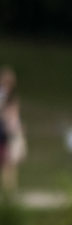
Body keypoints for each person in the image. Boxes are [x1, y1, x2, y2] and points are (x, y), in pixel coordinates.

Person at [0, 66, 21, 194]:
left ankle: (9, 190)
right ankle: (8, 190)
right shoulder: (2, 94)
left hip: (7, 131)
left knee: (9, 161)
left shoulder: (10, 96)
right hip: (3, 130)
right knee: (6, 160)